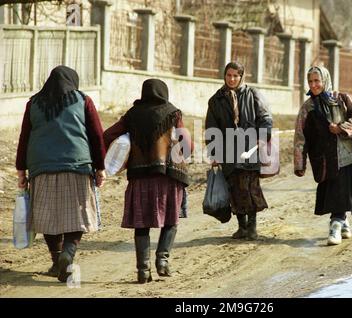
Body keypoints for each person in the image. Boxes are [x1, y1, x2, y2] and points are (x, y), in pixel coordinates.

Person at [16, 65, 106, 282]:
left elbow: (24, 137)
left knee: (47, 216)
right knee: (78, 213)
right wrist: (100, 167)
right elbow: (96, 135)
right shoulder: (83, 100)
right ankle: (68, 252)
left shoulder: (34, 103)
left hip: (41, 167)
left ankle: (57, 261)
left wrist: (21, 170)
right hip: (77, 164)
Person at [103, 79, 192, 284]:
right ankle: (163, 261)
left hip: (140, 177)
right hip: (169, 176)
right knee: (171, 220)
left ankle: (143, 271)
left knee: (141, 224)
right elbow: (187, 146)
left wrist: (121, 152)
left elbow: (107, 135)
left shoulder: (132, 115)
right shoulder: (173, 112)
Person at [294, 66, 352, 245]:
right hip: (323, 160)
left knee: (342, 191)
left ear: (325, 80)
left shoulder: (341, 99)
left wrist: (341, 128)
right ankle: (343, 222)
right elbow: (300, 136)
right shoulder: (307, 108)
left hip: (344, 156)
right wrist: (299, 163)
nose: (314, 85)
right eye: (310, 81)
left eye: (317, 81)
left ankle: (336, 227)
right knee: (333, 192)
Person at [205, 61, 273, 240]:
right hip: (228, 151)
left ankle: (252, 227)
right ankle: (241, 226)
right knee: (234, 188)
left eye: (236, 75)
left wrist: (262, 136)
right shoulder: (216, 100)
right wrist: (214, 153)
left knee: (250, 188)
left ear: (241, 76)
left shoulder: (253, 95)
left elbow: (265, 118)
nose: (232, 79)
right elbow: (211, 129)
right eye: (229, 75)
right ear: (224, 76)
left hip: (249, 148)